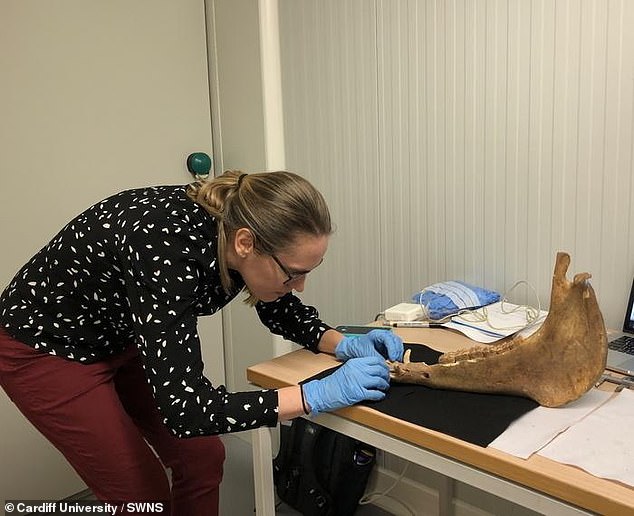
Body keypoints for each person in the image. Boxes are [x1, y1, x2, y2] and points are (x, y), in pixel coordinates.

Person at [0, 170, 403, 515]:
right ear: (246, 243)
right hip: (42, 349)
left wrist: (342, 342)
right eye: (293, 273)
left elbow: (274, 299)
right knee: (143, 496)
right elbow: (188, 411)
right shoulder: (164, 245)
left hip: (118, 335)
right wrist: (312, 395)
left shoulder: (241, 220)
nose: (300, 285)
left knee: (203, 457)